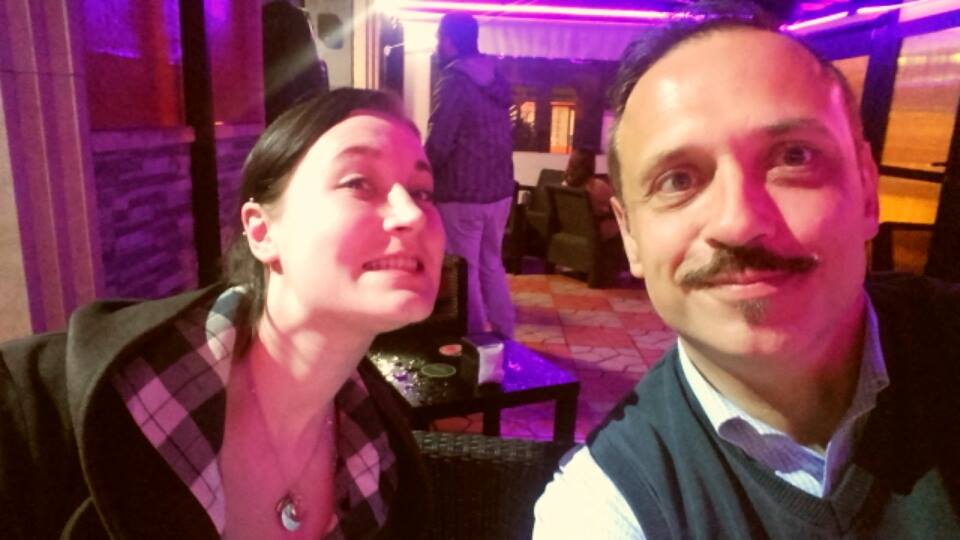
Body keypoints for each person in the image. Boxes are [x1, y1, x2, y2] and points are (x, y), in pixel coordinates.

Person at [534, 5, 960, 538]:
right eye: (677, 180)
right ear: (631, 237)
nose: (738, 223)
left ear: (867, 192)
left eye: (794, 157)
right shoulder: (608, 504)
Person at [0, 88, 444, 539]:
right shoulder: (33, 410)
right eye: (358, 183)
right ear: (262, 231)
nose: (412, 214)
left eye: (422, 192)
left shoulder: (385, 461)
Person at [425, 13, 516, 338]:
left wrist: (419, 174)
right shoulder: (496, 78)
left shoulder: (455, 81)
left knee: (465, 271)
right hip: (499, 193)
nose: (437, 44)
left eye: (440, 37)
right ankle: (504, 333)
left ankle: (475, 338)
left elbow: (440, 142)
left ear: (450, 41)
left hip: (462, 194)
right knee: (492, 264)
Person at [561, 148, 619, 241]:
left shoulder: (564, 185)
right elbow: (616, 204)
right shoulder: (598, 186)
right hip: (594, 230)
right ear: (591, 165)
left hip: (572, 229)